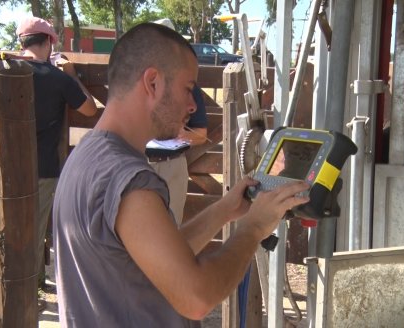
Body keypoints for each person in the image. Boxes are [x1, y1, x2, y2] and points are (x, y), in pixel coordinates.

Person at [53, 22, 309, 327]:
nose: (192, 105)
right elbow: (196, 298)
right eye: (188, 88)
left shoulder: (89, 156)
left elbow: (160, 257)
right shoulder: (129, 180)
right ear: (152, 83)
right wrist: (252, 230)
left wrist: (223, 211)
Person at [0, 16, 97, 303]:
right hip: (42, 167)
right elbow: (90, 110)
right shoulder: (57, 78)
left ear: (22, 42)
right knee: (33, 226)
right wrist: (70, 74)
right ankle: (26, 289)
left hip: (5, 163)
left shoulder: (4, 71)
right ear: (48, 43)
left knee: (0, 218)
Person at [148, 84, 208, 225]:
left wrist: (183, 134)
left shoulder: (189, 86)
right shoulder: (133, 82)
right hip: (135, 162)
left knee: (171, 227)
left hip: (172, 165)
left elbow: (201, 135)